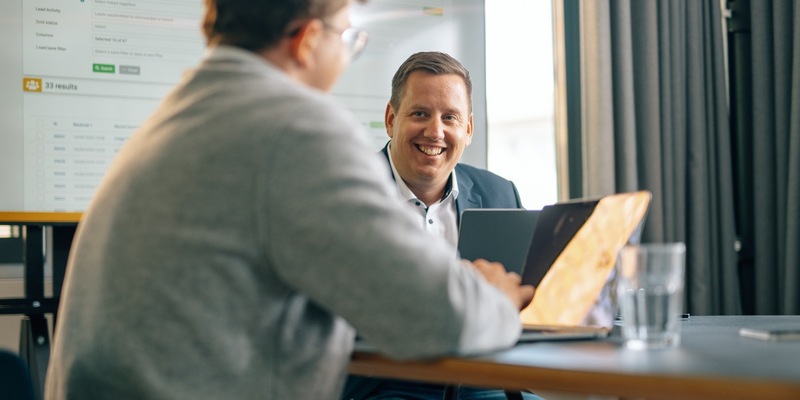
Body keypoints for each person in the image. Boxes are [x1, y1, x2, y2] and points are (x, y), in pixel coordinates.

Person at [44, 1, 536, 400]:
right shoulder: (291, 128)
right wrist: (493, 295)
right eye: (347, 37)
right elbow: (439, 318)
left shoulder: (181, 115)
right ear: (306, 41)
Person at [342, 52, 540, 400]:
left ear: (469, 129)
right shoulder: (346, 194)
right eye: (420, 113)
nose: (435, 132)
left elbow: (530, 298)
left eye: (450, 117)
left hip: (486, 380)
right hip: (387, 383)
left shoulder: (499, 192)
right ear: (391, 119)